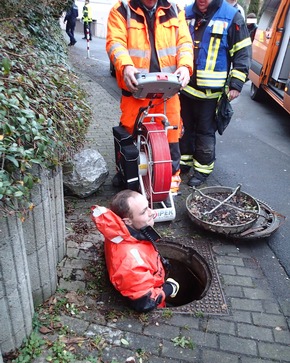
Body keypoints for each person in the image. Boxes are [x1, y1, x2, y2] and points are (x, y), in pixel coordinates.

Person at [106, 0, 193, 195]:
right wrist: (125, 66)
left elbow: (184, 43)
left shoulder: (174, 10)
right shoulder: (122, 10)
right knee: (129, 134)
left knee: (171, 135)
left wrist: (185, 66)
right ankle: (128, 176)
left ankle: (169, 182)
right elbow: (115, 43)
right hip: (136, 89)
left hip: (168, 90)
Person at [179, 0, 251, 186]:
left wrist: (236, 83)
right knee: (183, 129)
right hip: (184, 88)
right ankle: (184, 162)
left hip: (210, 95)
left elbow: (242, 52)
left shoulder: (231, 16)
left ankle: (202, 170)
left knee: (204, 132)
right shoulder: (185, 13)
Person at [91, 190, 180, 312]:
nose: (152, 212)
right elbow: (145, 302)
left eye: (148, 206)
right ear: (127, 221)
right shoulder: (131, 262)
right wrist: (169, 288)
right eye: (144, 212)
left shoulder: (118, 232)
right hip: (154, 295)